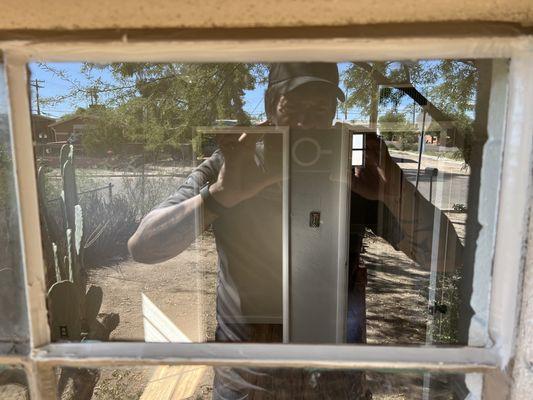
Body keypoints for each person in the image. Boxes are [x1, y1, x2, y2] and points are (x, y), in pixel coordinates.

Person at [128, 63, 463, 399]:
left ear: (334, 113)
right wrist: (220, 196)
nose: (306, 124)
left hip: (334, 382)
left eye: (319, 109)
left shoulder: (352, 172)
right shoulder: (236, 165)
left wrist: (395, 192)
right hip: (249, 382)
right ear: (270, 105)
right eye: (294, 108)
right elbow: (143, 246)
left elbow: (448, 260)